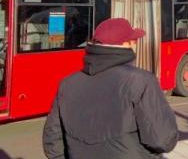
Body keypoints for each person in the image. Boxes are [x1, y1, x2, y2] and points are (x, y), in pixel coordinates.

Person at [42, 18, 178, 159]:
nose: (135, 44)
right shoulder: (141, 81)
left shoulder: (67, 84)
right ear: (127, 44)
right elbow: (164, 140)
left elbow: (52, 142)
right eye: (134, 40)